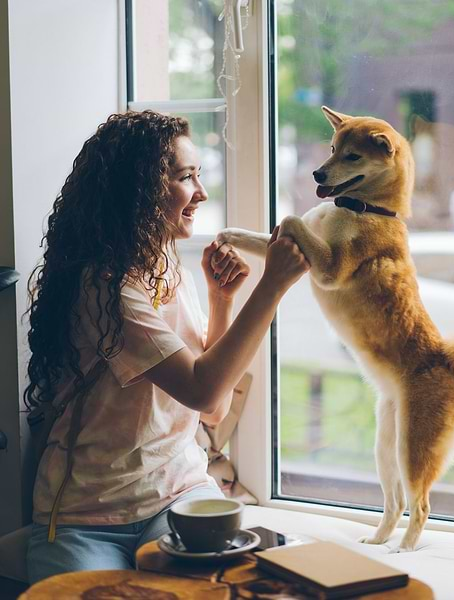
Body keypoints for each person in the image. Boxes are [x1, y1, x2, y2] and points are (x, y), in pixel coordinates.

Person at [24, 110, 310, 583]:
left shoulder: (166, 267)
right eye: (185, 177)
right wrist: (272, 286)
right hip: (83, 517)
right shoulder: (105, 286)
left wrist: (222, 302)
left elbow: (211, 411)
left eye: (199, 175)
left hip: (176, 492)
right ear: (137, 189)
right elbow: (202, 391)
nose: (200, 192)